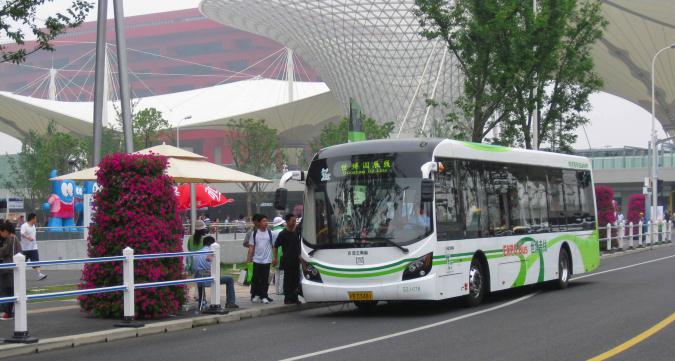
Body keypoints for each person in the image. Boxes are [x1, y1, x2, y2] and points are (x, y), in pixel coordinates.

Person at [192, 236, 238, 310]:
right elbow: (215, 268)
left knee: (201, 278)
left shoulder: (197, 253)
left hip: (199, 279)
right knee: (229, 279)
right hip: (209, 279)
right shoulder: (211, 252)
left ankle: (202, 302)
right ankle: (230, 303)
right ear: (212, 244)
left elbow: (193, 268)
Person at [246, 215, 276, 304]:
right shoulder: (254, 233)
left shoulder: (271, 233)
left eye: (266, 221)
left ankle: (264, 296)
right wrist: (248, 260)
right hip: (256, 260)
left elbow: (274, 247)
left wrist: (275, 258)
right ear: (259, 223)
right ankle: (256, 295)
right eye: (263, 221)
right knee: (255, 279)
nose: (266, 223)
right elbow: (251, 247)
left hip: (267, 261)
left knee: (265, 279)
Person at [274, 214, 302, 304]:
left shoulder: (295, 233)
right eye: (292, 221)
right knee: (288, 279)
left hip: (296, 260)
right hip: (287, 260)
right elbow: (275, 246)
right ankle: (288, 298)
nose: (294, 223)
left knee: (296, 279)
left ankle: (295, 297)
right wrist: (275, 258)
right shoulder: (282, 234)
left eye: (295, 221)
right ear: (287, 222)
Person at [0, 220, 22, 320]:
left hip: (9, 269)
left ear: (5, 231)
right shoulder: (14, 237)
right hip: (12, 268)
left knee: (9, 291)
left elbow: (5, 251)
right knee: (12, 291)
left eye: (1, 232)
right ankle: (11, 312)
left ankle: (8, 313)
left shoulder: (10, 238)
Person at [20, 213, 46, 280]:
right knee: (22, 264)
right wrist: (28, 238)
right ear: (32, 218)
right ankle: (18, 275)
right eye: (35, 218)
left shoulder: (34, 226)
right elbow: (22, 233)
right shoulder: (24, 226)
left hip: (34, 248)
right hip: (25, 249)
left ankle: (40, 274)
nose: (36, 219)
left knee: (36, 261)